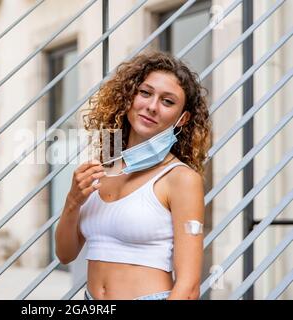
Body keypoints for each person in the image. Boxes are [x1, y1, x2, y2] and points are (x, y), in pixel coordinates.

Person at [55, 50, 211, 300]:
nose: (151, 106)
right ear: (129, 96)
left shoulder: (180, 179)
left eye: (167, 101)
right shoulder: (103, 167)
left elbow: (189, 287)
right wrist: (73, 201)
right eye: (145, 93)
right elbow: (65, 254)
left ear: (182, 119)